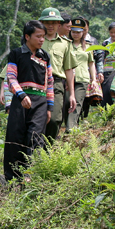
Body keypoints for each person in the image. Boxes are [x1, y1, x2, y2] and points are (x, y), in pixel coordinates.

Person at [3, 20, 54, 182]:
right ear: (27, 36)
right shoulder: (16, 54)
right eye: (38, 36)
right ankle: (12, 178)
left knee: (35, 136)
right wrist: (20, 95)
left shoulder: (45, 56)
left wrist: (49, 107)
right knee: (15, 136)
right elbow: (11, 77)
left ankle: (30, 174)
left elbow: (50, 82)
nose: (41, 40)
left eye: (43, 37)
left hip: (40, 101)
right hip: (20, 100)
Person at [39, 7, 77, 143]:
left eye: (54, 22)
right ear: (41, 23)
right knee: (37, 119)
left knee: (55, 119)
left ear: (58, 24)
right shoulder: (36, 40)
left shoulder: (65, 44)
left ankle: (47, 149)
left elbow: (69, 69)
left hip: (56, 84)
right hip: (36, 84)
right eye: (47, 22)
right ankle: (35, 149)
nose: (50, 25)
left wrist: (72, 94)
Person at [63, 18, 96, 132]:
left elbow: (91, 64)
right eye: (73, 32)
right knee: (67, 102)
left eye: (78, 32)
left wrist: (94, 80)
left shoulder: (88, 46)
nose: (76, 34)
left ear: (83, 33)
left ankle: (70, 128)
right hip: (68, 78)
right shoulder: (66, 45)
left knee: (77, 102)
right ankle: (69, 124)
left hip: (82, 78)